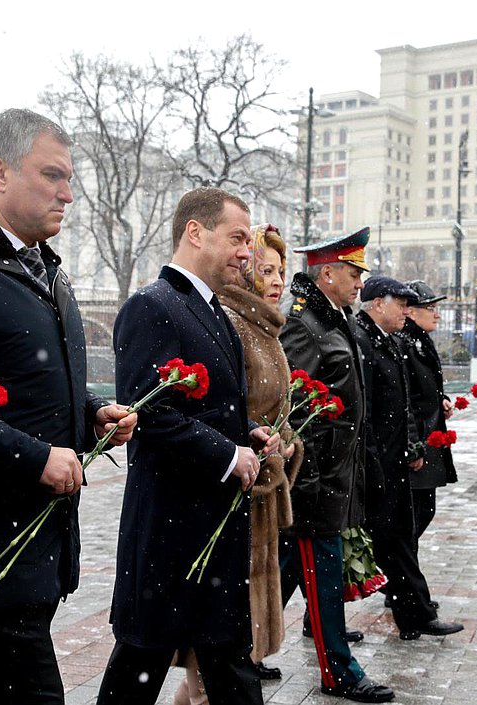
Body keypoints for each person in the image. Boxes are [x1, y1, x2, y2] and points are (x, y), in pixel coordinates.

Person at [0, 109, 137, 705]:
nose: (68, 193)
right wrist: (32, 459)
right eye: (53, 175)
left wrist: (91, 411)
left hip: (38, 544)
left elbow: (27, 384)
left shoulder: (41, 264)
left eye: (69, 177)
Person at [98, 188, 280, 705]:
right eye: (238, 238)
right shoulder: (151, 306)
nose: (248, 251)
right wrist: (229, 455)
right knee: (138, 669)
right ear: (195, 232)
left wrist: (246, 437)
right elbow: (147, 411)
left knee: (230, 670)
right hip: (168, 536)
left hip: (213, 536)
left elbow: (207, 410)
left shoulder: (214, 313)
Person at [174, 223, 303, 705]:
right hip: (231, 496)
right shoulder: (229, 321)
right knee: (213, 666)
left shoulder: (266, 325)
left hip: (259, 498)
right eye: (265, 269)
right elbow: (224, 410)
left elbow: (275, 409)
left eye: (281, 272)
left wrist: (285, 442)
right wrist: (252, 444)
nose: (275, 280)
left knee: (225, 663)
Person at [279, 229, 395, 703]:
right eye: (352, 274)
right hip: (316, 482)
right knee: (323, 581)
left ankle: (240, 650)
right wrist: (307, 484)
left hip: (337, 477)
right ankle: (339, 671)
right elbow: (296, 412)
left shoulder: (335, 320)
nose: (358, 284)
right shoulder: (304, 326)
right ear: (326, 274)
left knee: (290, 571)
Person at [356, 276, 464, 643]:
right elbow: (366, 411)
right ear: (378, 304)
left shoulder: (389, 341)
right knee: (371, 541)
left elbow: (402, 405)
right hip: (376, 464)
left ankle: (415, 614)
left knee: (398, 539)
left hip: (396, 460)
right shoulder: (363, 339)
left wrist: (413, 448)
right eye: (400, 304)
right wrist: (373, 462)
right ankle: (315, 618)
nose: (406, 310)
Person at [398, 281, 457, 577]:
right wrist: (412, 444)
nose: (437, 315)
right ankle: (402, 583)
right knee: (413, 516)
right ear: (410, 312)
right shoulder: (405, 343)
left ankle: (402, 582)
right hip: (417, 440)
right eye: (430, 308)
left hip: (428, 438)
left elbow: (424, 388)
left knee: (423, 511)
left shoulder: (421, 341)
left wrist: (441, 399)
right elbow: (404, 398)